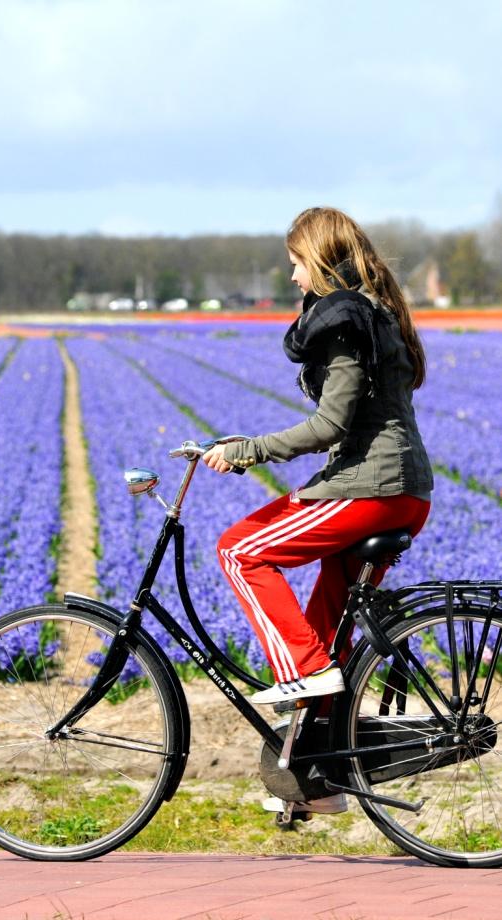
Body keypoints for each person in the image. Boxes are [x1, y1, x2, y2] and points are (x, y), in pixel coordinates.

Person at [203, 207, 433, 813]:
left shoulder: (343, 321)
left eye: (297, 264)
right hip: (406, 495)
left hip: (369, 490)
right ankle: (316, 781)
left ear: (321, 262)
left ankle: (303, 674)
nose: (293, 278)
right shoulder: (377, 310)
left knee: (239, 549)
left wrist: (247, 451)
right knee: (327, 621)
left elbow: (331, 423)